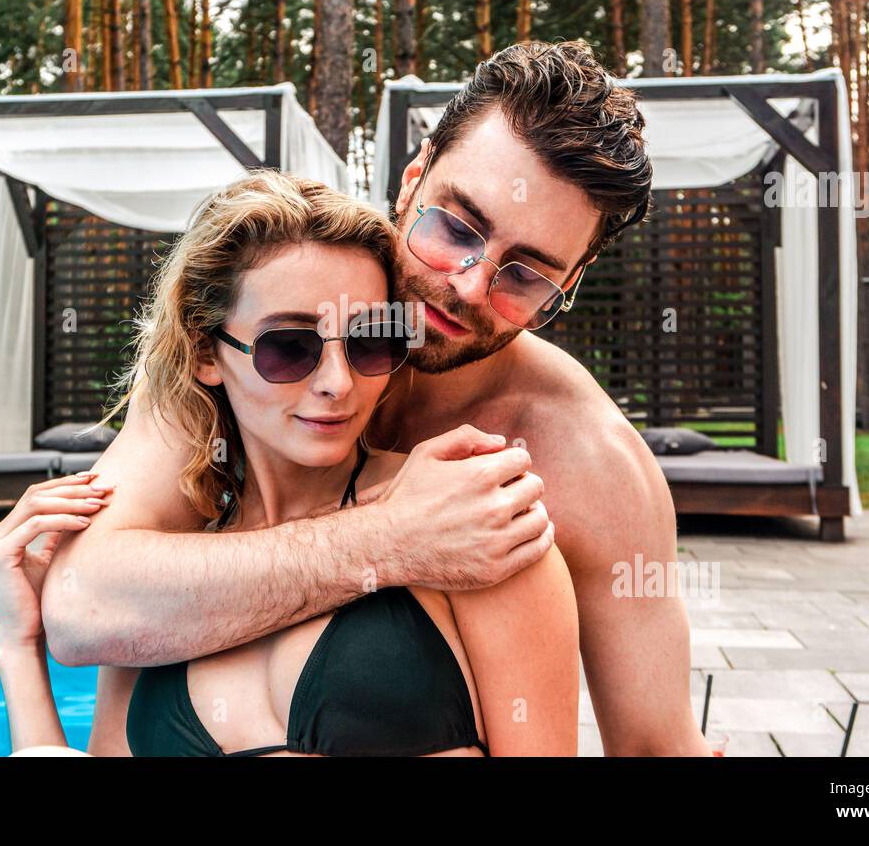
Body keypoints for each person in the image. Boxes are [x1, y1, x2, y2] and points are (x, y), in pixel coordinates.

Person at [40, 40, 710, 756]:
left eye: (526, 276)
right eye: (456, 228)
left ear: (568, 287)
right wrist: (394, 540)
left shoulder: (585, 460)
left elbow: (654, 746)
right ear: (412, 179)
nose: (469, 285)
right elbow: (83, 607)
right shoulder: (258, 334)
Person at [0, 171, 580, 756]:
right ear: (205, 353)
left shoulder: (473, 527)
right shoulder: (166, 570)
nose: (337, 383)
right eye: (289, 347)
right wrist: (19, 647)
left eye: (371, 341)